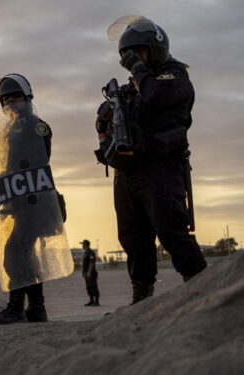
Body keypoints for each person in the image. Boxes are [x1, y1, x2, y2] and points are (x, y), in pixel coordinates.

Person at [96, 16, 207, 304]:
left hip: (161, 168)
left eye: (138, 52)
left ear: (155, 48)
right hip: (128, 171)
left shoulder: (174, 76)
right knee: (133, 239)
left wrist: (137, 69)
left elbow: (156, 96)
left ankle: (202, 293)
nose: (132, 60)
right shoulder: (133, 86)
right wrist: (106, 120)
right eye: (127, 56)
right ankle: (141, 300)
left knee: (171, 231)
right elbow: (116, 128)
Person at [0, 74, 56, 325]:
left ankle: (17, 308)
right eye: (6, 99)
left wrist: (12, 177)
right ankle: (36, 309)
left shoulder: (37, 126)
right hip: (20, 201)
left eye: (16, 97)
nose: (11, 103)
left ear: (27, 98)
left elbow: (38, 161)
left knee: (15, 252)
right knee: (23, 253)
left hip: (35, 202)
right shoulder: (11, 129)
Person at [81, 240, 100, 306]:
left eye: (83, 244)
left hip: (91, 273)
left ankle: (96, 301)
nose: (82, 245)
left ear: (85, 244)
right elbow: (84, 264)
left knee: (93, 286)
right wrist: (84, 272)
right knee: (88, 287)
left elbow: (91, 263)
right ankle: (91, 301)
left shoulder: (91, 252)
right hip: (86, 273)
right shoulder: (85, 253)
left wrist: (89, 272)